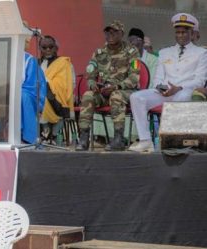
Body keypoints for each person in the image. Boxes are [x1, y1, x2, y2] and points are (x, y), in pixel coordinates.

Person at [129, 13, 207, 152]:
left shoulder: (201, 53)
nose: (180, 35)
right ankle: (145, 140)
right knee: (136, 97)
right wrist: (161, 88)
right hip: (165, 92)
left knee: (181, 98)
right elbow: (158, 77)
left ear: (191, 33)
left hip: (185, 91)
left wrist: (179, 87)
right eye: (178, 32)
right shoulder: (165, 52)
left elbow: (200, 80)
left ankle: (174, 141)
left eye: (184, 32)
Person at [76, 20, 140, 152]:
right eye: (107, 32)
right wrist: (92, 84)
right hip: (104, 91)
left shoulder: (132, 52)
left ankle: (118, 139)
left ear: (121, 34)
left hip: (125, 91)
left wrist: (116, 86)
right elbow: (90, 73)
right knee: (88, 95)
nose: (110, 35)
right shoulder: (99, 53)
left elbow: (134, 77)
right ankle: (84, 138)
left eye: (114, 32)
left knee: (116, 96)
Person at [38, 35, 73, 144]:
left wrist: (48, 84)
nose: (48, 50)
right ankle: (45, 133)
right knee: (38, 99)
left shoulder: (64, 63)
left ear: (56, 48)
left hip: (60, 96)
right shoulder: (36, 63)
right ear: (40, 49)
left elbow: (70, 83)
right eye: (44, 47)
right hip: (40, 95)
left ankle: (52, 135)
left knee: (48, 98)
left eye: (51, 47)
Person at [21, 36, 47, 145]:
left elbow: (33, 87)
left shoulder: (29, 60)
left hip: (27, 95)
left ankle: (26, 136)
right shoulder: (1, 58)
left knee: (22, 95)